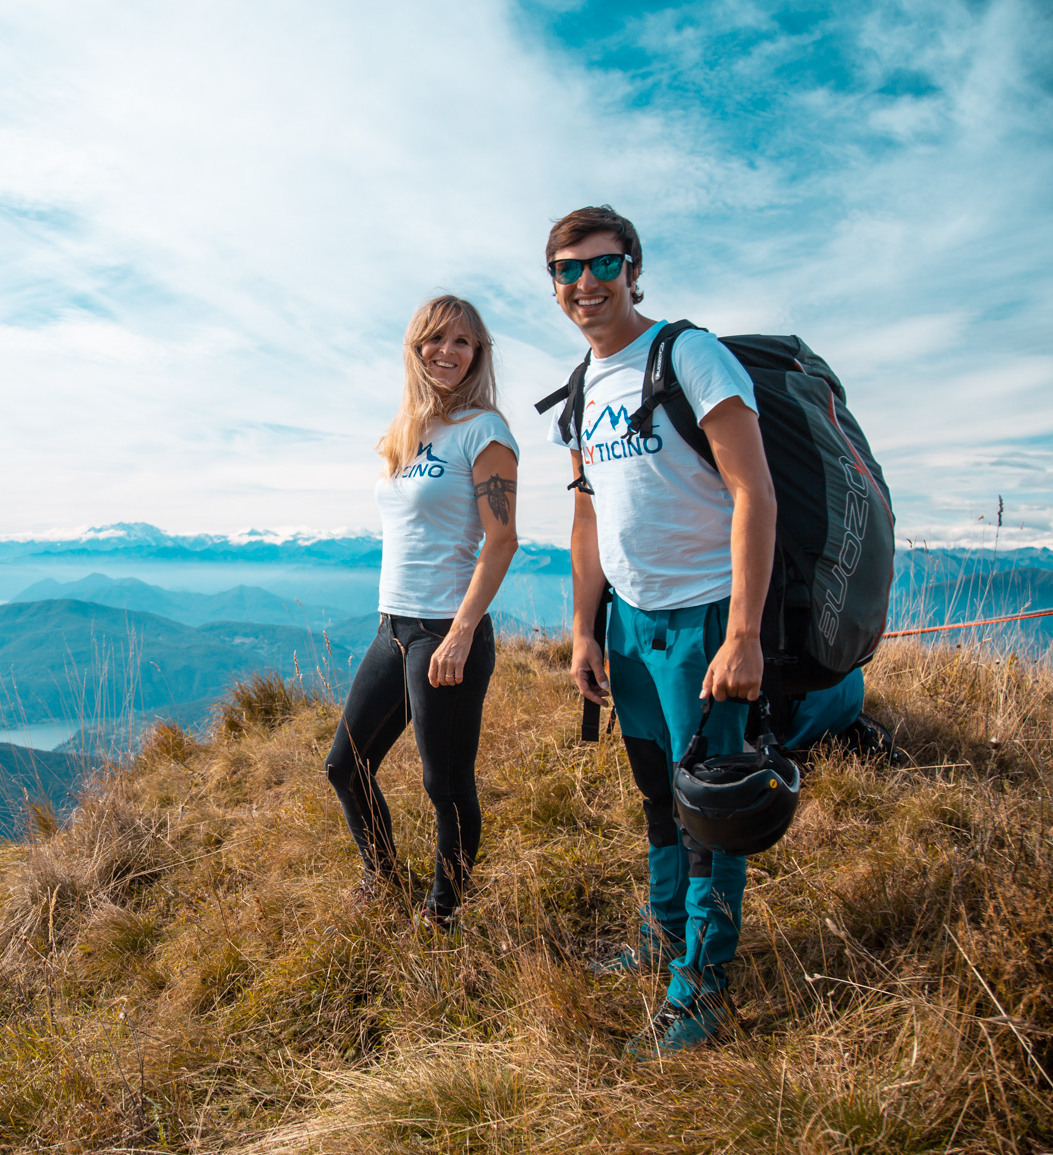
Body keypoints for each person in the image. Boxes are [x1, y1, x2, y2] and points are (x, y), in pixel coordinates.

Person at [545, 206, 774, 1055]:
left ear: (633, 268)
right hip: (631, 624)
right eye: (566, 271)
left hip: (706, 616)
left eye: (601, 265)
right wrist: (584, 630)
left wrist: (743, 633)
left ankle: (701, 992)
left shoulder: (689, 356)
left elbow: (754, 492)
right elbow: (587, 521)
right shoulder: (580, 390)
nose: (584, 284)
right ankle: (662, 929)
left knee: (710, 806)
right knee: (656, 795)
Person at [325, 294, 519, 931]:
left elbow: (502, 540)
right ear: (415, 349)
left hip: (446, 631)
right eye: (435, 340)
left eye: (463, 342)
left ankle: (443, 914)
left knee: (445, 784)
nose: (448, 352)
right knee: (344, 767)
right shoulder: (407, 432)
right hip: (393, 628)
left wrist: (461, 633)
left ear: (478, 353)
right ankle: (382, 877)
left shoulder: (484, 432)